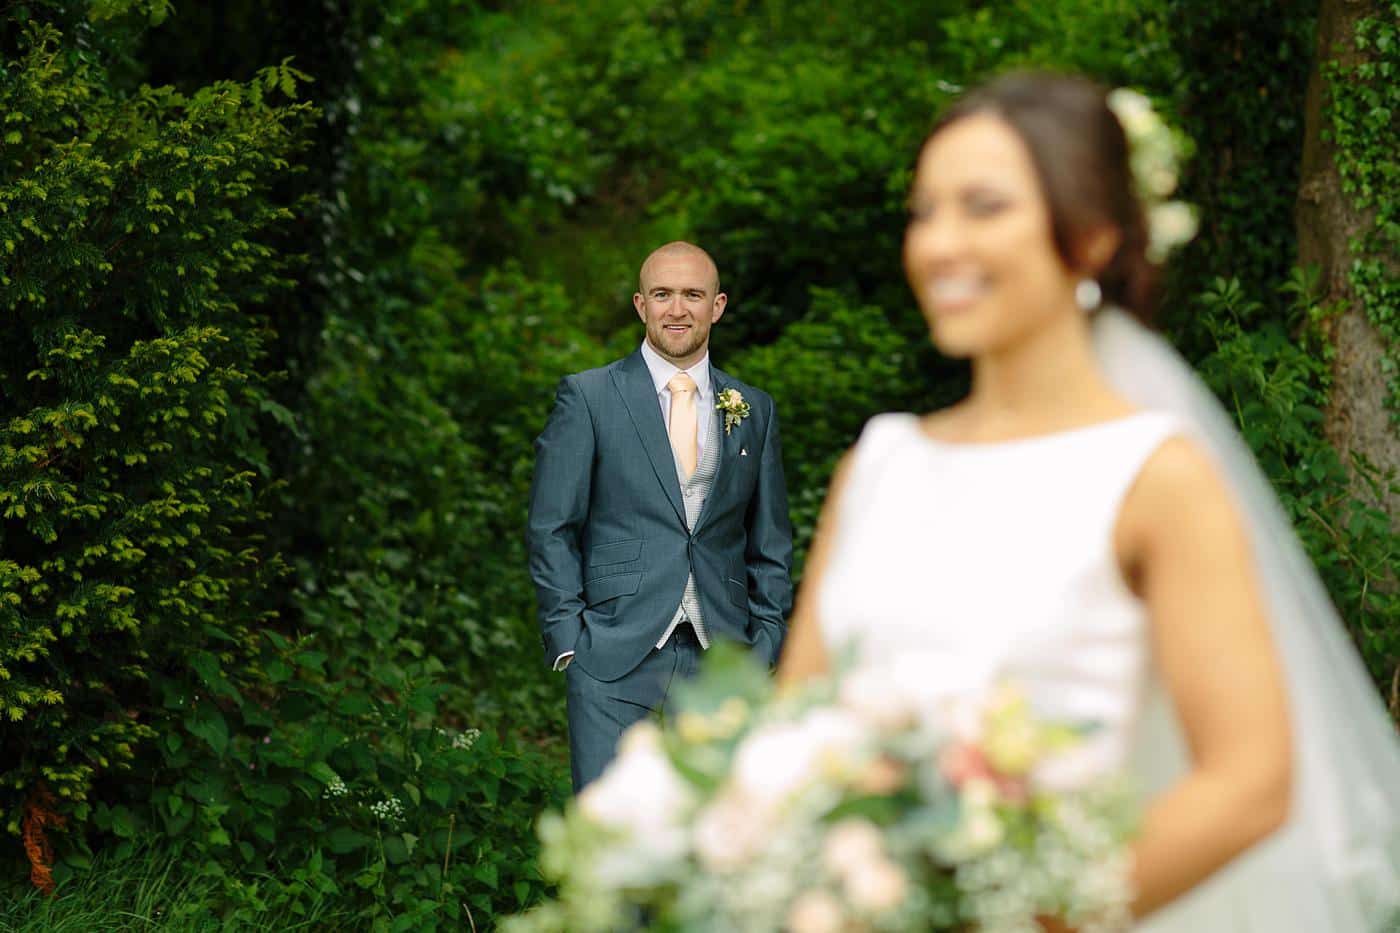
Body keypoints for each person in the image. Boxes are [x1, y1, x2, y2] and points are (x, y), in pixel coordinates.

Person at [778, 73, 1399, 930]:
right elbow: (793, 728)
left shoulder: (1154, 474)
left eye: (984, 207)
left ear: (1096, 235)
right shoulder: (878, 465)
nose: (940, 244)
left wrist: (1016, 912)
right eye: (925, 213)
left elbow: (1249, 781)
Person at [529, 241, 794, 791]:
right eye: (663, 295)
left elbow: (769, 541)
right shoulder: (590, 397)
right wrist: (569, 637)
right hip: (610, 653)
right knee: (609, 843)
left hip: (722, 660)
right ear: (640, 305)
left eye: (692, 295)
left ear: (716, 306)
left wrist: (766, 643)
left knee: (717, 845)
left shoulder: (753, 408)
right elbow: (552, 527)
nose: (678, 309)